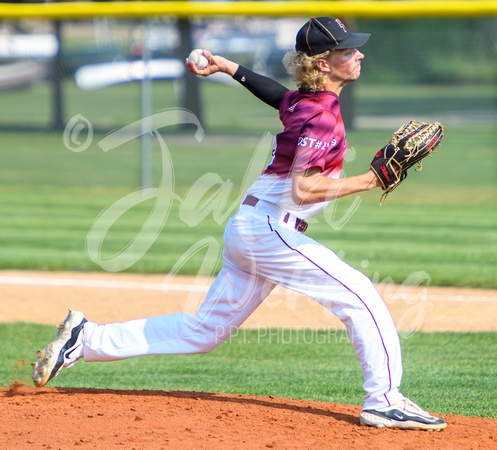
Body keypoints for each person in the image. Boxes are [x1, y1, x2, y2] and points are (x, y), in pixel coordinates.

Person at [31, 17, 446, 431]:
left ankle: (86, 338)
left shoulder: (308, 102)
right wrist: (372, 179)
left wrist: (230, 67)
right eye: (347, 49)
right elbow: (303, 190)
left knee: (205, 332)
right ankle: (385, 400)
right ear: (323, 64)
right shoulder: (320, 116)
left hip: (250, 227)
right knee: (359, 295)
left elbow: (277, 96)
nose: (358, 54)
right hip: (269, 231)